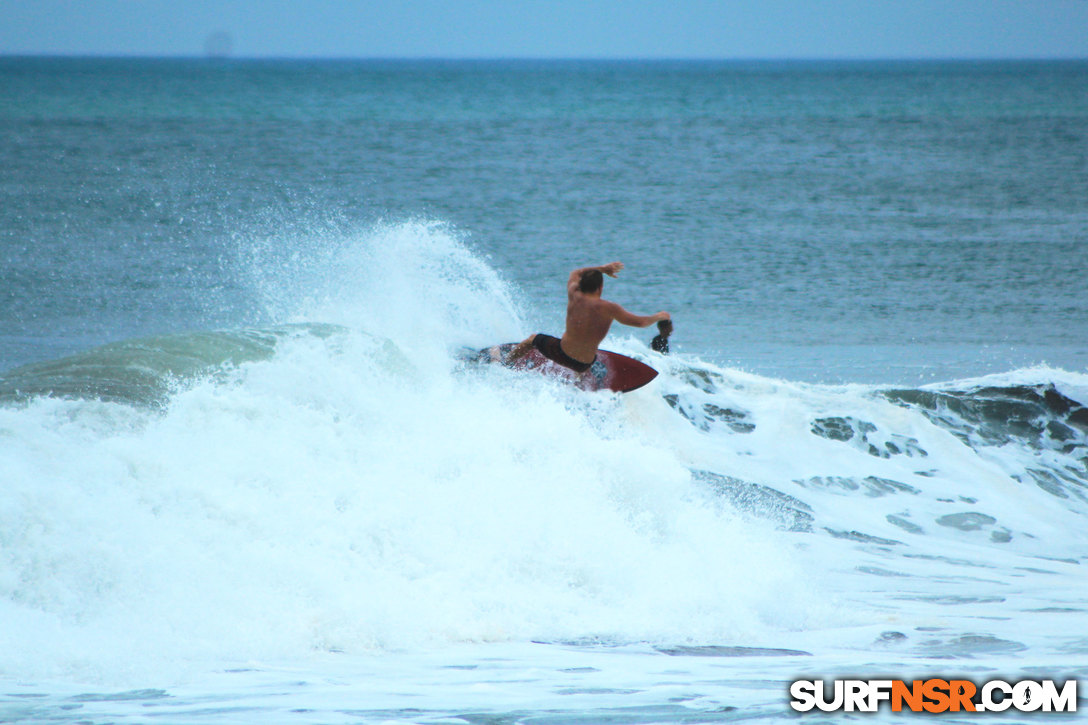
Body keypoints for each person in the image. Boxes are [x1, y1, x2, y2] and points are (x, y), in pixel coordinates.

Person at [507, 261, 670, 373]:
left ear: (581, 285)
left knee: (533, 339)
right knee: (585, 356)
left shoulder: (574, 294)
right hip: (584, 364)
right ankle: (578, 381)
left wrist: (602, 268)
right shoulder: (610, 308)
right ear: (600, 287)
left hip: (560, 353)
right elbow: (641, 322)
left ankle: (506, 363)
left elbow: (575, 272)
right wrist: (659, 316)